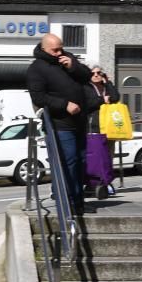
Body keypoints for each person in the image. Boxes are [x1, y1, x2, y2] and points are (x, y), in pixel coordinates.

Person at [27, 33, 92, 214]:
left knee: (80, 162)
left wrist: (73, 67)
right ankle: (67, 204)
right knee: (67, 163)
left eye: (60, 48)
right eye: (54, 50)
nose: (58, 53)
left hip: (79, 122)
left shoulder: (68, 58)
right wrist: (64, 105)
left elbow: (87, 76)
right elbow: (38, 97)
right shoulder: (37, 69)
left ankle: (79, 202)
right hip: (60, 124)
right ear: (43, 48)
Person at [84, 64, 120, 199]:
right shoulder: (86, 87)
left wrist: (108, 82)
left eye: (99, 73)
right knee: (96, 157)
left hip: (110, 127)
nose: (96, 75)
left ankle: (107, 182)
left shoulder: (106, 87)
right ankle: (93, 183)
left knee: (109, 156)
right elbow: (86, 104)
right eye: (93, 73)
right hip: (94, 127)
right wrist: (102, 100)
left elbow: (116, 97)